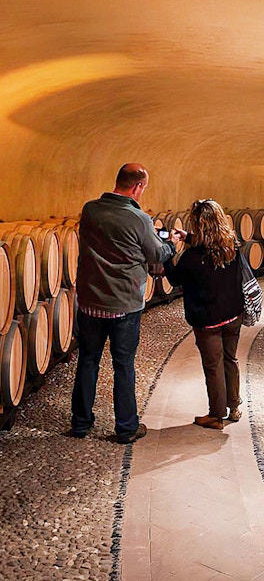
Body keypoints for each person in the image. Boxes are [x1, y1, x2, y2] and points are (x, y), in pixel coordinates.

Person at [71, 163, 184, 444]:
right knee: (123, 366)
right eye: (143, 187)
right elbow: (156, 254)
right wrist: (172, 244)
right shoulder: (139, 218)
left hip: (90, 302)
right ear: (137, 187)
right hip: (123, 305)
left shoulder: (90, 210)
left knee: (88, 361)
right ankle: (125, 428)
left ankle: (81, 423)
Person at [164, 198, 244, 430]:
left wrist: (169, 251)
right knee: (230, 359)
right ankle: (234, 406)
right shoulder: (232, 245)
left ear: (198, 224)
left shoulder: (192, 257)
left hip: (208, 319)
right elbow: (210, 244)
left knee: (213, 366)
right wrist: (188, 237)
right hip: (233, 314)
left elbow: (174, 278)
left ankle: (216, 415)